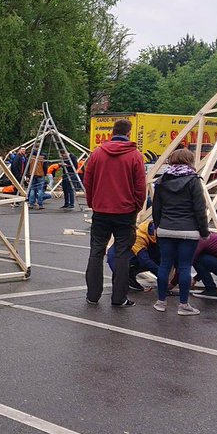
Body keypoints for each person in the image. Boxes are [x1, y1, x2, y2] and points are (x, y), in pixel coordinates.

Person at [82, 119, 147, 307]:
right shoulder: (135, 155)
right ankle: (119, 298)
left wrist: (93, 202)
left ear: (112, 132)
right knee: (122, 254)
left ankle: (92, 295)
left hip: (101, 209)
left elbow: (88, 181)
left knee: (96, 252)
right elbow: (140, 186)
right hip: (125, 211)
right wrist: (136, 206)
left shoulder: (97, 153)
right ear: (128, 133)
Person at [151, 148, 210, 315]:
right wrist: (204, 231)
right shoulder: (193, 180)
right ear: (189, 161)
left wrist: (158, 227)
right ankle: (183, 305)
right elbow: (200, 209)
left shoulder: (161, 180)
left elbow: (156, 208)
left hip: (165, 229)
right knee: (184, 267)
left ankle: (160, 302)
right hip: (188, 230)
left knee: (164, 265)